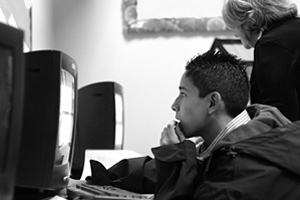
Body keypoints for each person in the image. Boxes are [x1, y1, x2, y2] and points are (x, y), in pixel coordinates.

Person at [152, 50, 300, 200]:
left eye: (183, 94)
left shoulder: (235, 173)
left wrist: (172, 161)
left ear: (212, 102)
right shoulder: (250, 137)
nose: (174, 105)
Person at [222, 0, 300, 121]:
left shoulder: (270, 46)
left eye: (235, 27)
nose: (236, 35)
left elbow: (277, 119)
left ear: (249, 21)